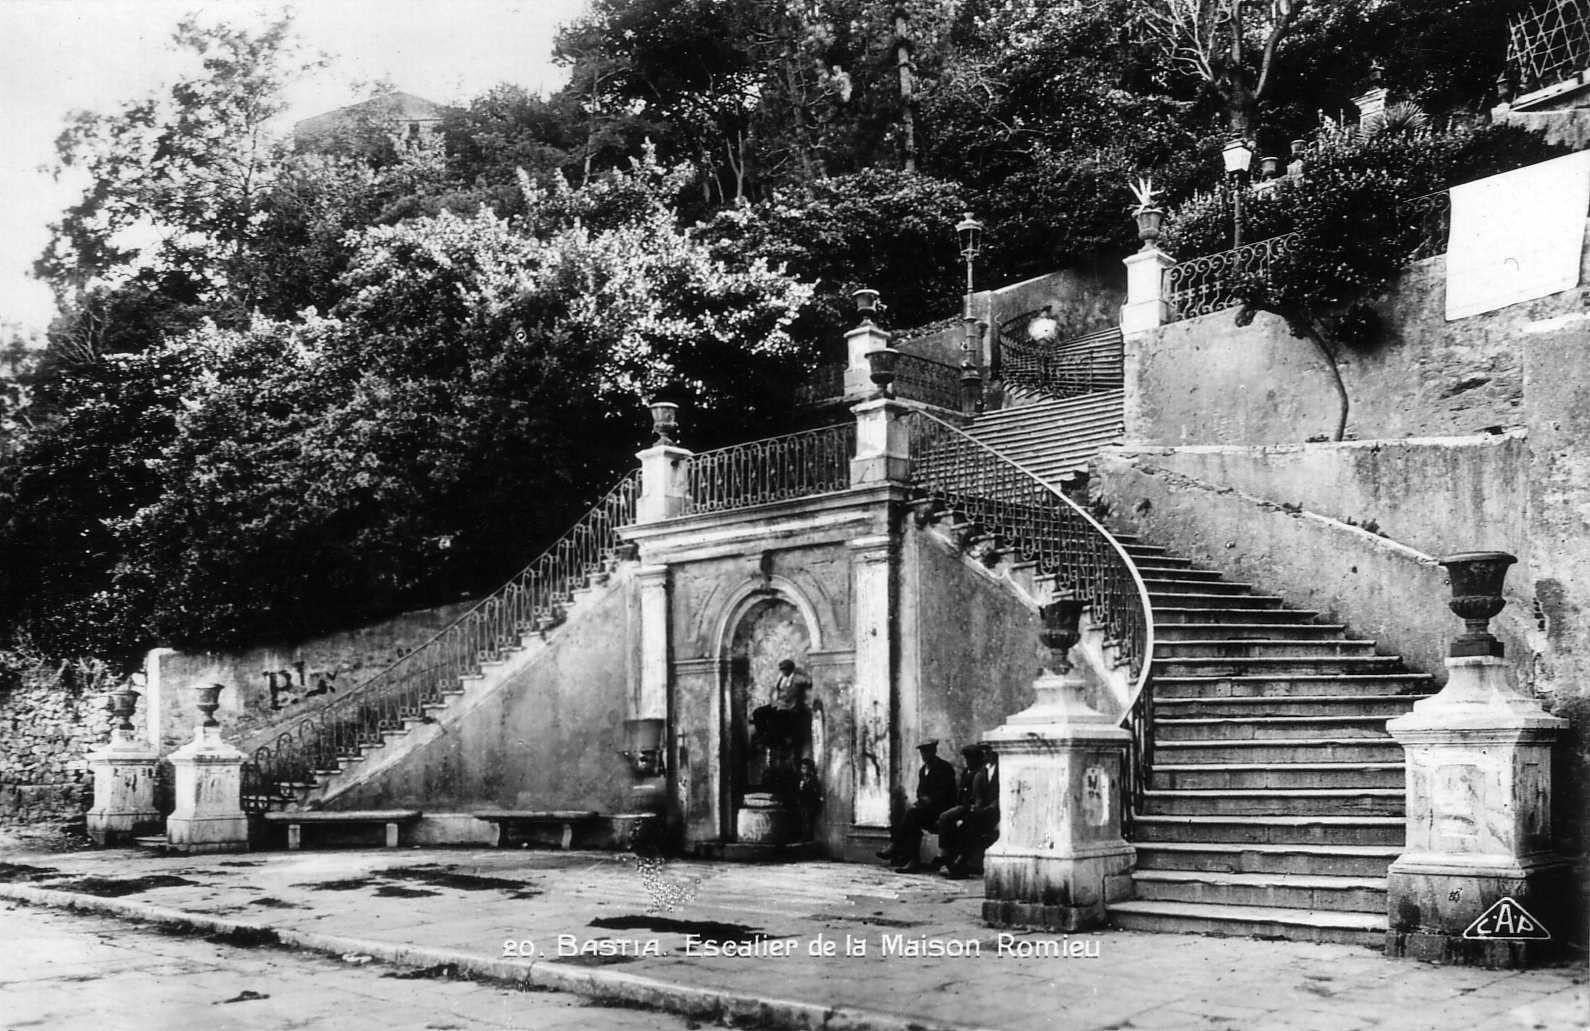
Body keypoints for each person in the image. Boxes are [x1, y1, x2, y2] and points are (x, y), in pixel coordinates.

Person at [876, 739, 956, 872]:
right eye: (922, 752)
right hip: (927, 810)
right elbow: (920, 791)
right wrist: (921, 799)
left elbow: (947, 792)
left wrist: (930, 800)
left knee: (912, 815)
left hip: (942, 810)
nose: (925, 755)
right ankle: (911, 859)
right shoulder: (923, 770)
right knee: (910, 818)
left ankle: (898, 848)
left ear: (934, 751)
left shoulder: (944, 768)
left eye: (927, 752)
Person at [943, 744, 1000, 879]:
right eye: (985, 752)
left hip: (993, 811)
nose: (987, 755)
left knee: (969, 821)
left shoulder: (1000, 769)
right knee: (967, 822)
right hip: (980, 810)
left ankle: (961, 861)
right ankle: (959, 862)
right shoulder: (983, 771)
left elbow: (1000, 794)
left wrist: (991, 806)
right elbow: (977, 794)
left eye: (989, 752)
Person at [934, 744, 985, 872]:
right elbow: (961, 793)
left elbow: (978, 798)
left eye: (970, 758)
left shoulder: (979, 773)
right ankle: (948, 857)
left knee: (945, 817)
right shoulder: (966, 771)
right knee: (946, 818)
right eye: (966, 758)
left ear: (977, 759)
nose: (967, 761)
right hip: (962, 805)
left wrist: (965, 812)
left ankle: (944, 856)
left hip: (969, 808)